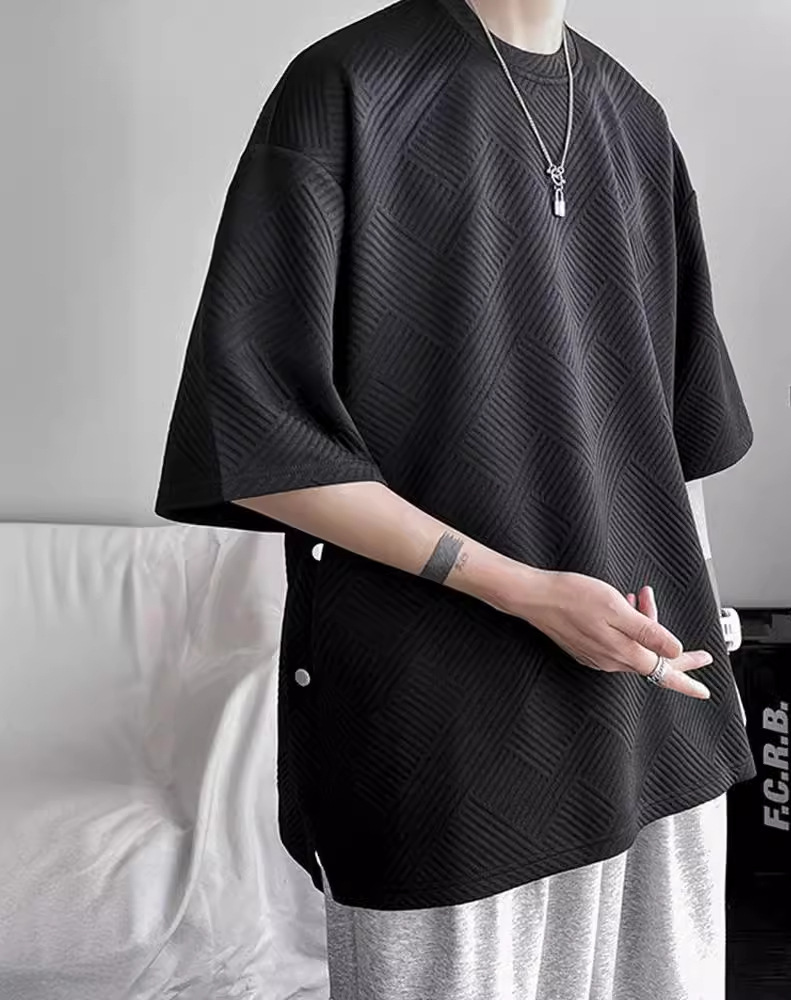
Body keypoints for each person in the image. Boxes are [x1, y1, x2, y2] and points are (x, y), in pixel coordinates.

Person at [154, 0, 755, 995]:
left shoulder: (634, 117)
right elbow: (263, 445)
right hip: (448, 741)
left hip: (655, 717)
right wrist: (526, 591)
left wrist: (705, 618)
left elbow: (673, 432)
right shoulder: (345, 91)